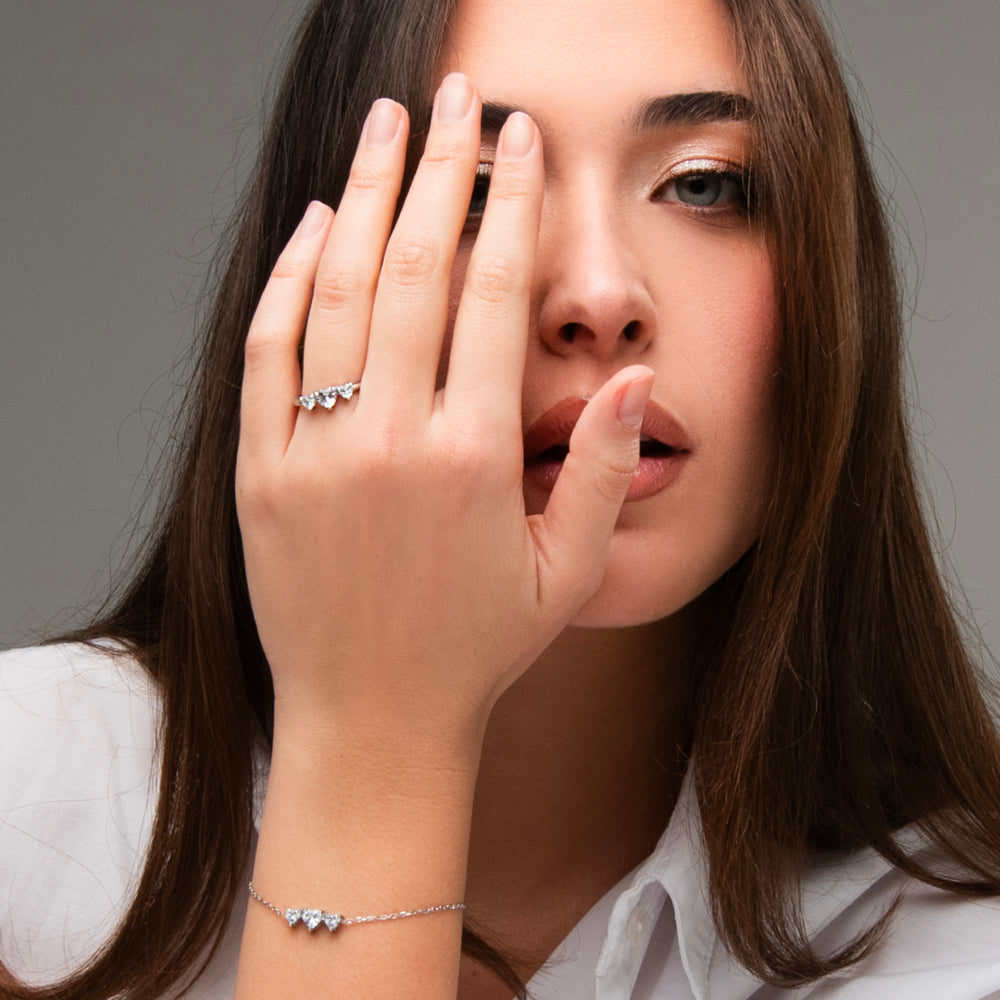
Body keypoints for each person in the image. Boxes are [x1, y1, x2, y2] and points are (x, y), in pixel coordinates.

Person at [2, 0, 999, 997]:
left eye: (703, 184)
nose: (598, 298)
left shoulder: (958, 941)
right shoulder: (28, 805)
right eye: (477, 191)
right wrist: (372, 737)